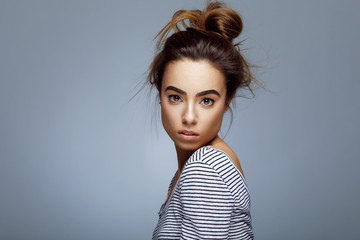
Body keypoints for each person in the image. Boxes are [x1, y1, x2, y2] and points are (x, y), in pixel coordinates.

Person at [148, 2, 259, 239]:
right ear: (160, 95)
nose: (189, 117)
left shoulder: (204, 169)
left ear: (228, 99)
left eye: (206, 100)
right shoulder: (191, 169)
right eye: (176, 97)